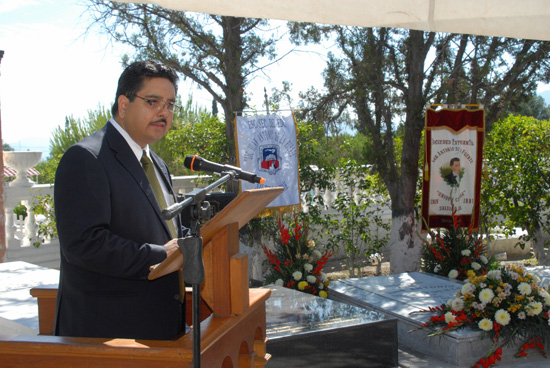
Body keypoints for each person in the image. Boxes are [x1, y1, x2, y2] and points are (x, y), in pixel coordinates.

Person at [53, 60, 187, 340]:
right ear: (123, 105)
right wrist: (161, 255)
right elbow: (84, 245)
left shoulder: (157, 164)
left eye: (171, 104)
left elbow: (167, 231)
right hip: (110, 334)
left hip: (161, 327)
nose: (164, 112)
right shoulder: (86, 158)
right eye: (153, 101)